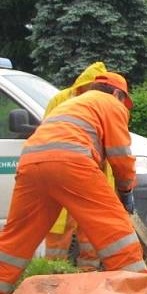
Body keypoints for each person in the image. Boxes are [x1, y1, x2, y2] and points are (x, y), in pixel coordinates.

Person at [0, 73, 146, 294]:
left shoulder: (72, 104)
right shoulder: (111, 104)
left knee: (17, 237)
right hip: (71, 160)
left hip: (30, 163)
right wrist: (126, 190)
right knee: (115, 229)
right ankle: (140, 293)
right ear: (118, 94)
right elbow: (121, 155)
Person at [43, 62, 111, 270]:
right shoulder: (62, 99)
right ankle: (55, 271)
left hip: (90, 172)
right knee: (59, 225)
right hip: (68, 171)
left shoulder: (103, 103)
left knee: (90, 226)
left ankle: (87, 271)